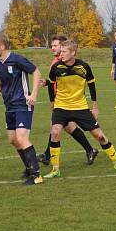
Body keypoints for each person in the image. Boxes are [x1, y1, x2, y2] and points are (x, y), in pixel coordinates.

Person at [44, 40, 116, 178]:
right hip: (61, 106)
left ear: (73, 53)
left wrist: (95, 107)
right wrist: (52, 102)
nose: (61, 54)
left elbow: (91, 85)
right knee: (55, 132)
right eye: (60, 51)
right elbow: (50, 83)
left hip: (80, 107)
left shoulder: (84, 67)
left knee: (100, 136)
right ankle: (55, 169)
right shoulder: (56, 67)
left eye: (64, 51)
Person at [0, 34, 44, 185]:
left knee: (22, 138)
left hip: (23, 104)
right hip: (9, 105)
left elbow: (36, 72)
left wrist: (34, 94)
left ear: (2, 46)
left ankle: (36, 175)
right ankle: (29, 167)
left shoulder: (17, 59)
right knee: (13, 140)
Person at [37, 35, 99, 166]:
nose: (52, 48)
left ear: (63, 47)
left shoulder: (62, 62)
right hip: (62, 102)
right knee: (67, 127)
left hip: (68, 103)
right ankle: (89, 150)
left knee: (59, 128)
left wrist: (52, 101)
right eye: (52, 45)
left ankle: (48, 156)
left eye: (55, 45)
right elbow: (55, 81)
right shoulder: (56, 62)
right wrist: (47, 83)